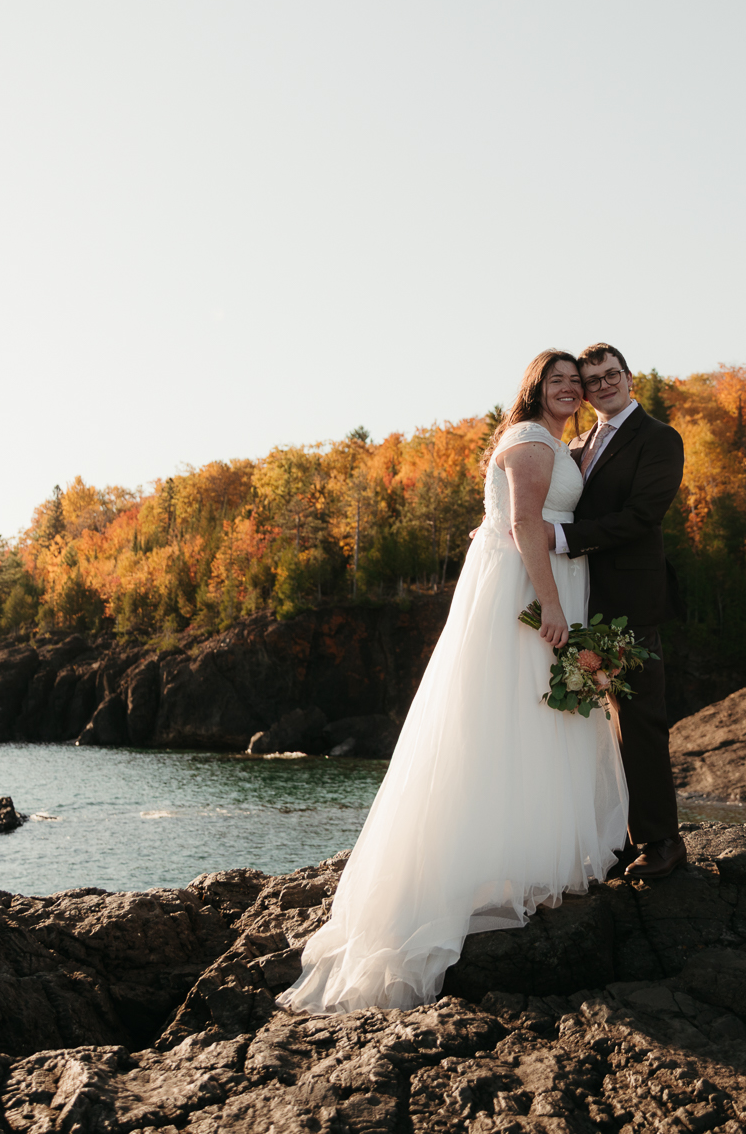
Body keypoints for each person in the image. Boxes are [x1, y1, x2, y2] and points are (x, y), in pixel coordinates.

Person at [277, 350, 628, 1014]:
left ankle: (526, 857)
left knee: (533, 715)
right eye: (558, 380)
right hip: (528, 588)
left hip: (540, 580)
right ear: (535, 388)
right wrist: (552, 604)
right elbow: (524, 523)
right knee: (517, 712)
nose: (570, 389)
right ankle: (489, 867)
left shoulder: (554, 441)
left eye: (576, 383)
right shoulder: (528, 439)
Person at [550, 343, 687, 879]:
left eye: (611, 375)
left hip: (631, 603)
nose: (602, 385)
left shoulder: (659, 439)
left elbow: (641, 516)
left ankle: (663, 842)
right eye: (592, 380)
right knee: (593, 725)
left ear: (630, 377)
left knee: (640, 720)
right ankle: (616, 836)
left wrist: (560, 538)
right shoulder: (578, 442)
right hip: (581, 597)